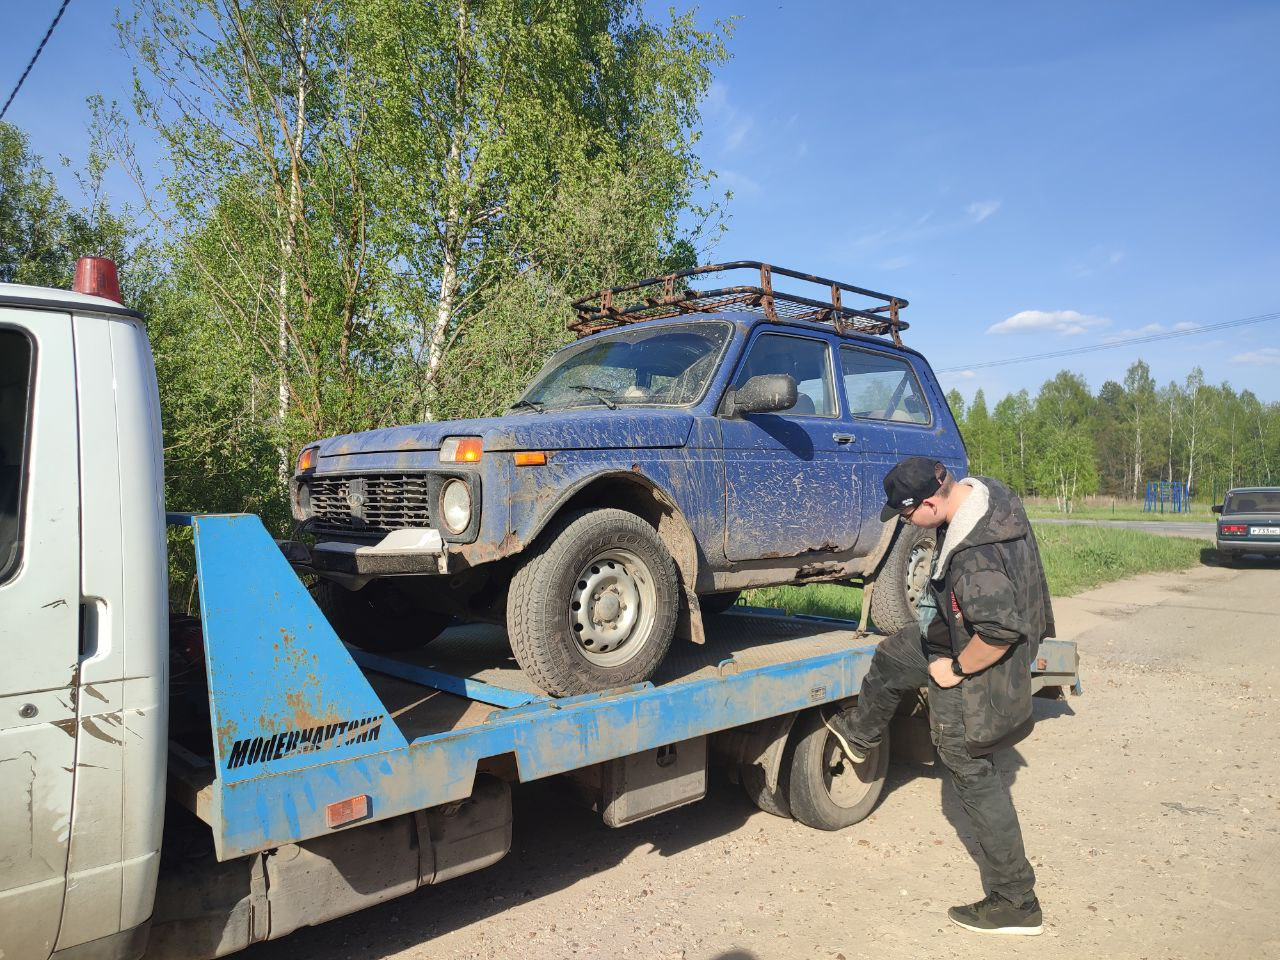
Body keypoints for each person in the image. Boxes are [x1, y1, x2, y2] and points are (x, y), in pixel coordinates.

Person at [824, 456, 1055, 936]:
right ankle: (861, 735)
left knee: (972, 772)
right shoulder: (988, 493)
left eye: (907, 516)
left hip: (971, 657)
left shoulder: (976, 557)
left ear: (930, 500)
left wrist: (952, 669)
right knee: (891, 656)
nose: (907, 524)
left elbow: (997, 632)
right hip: (944, 636)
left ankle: (1016, 901)